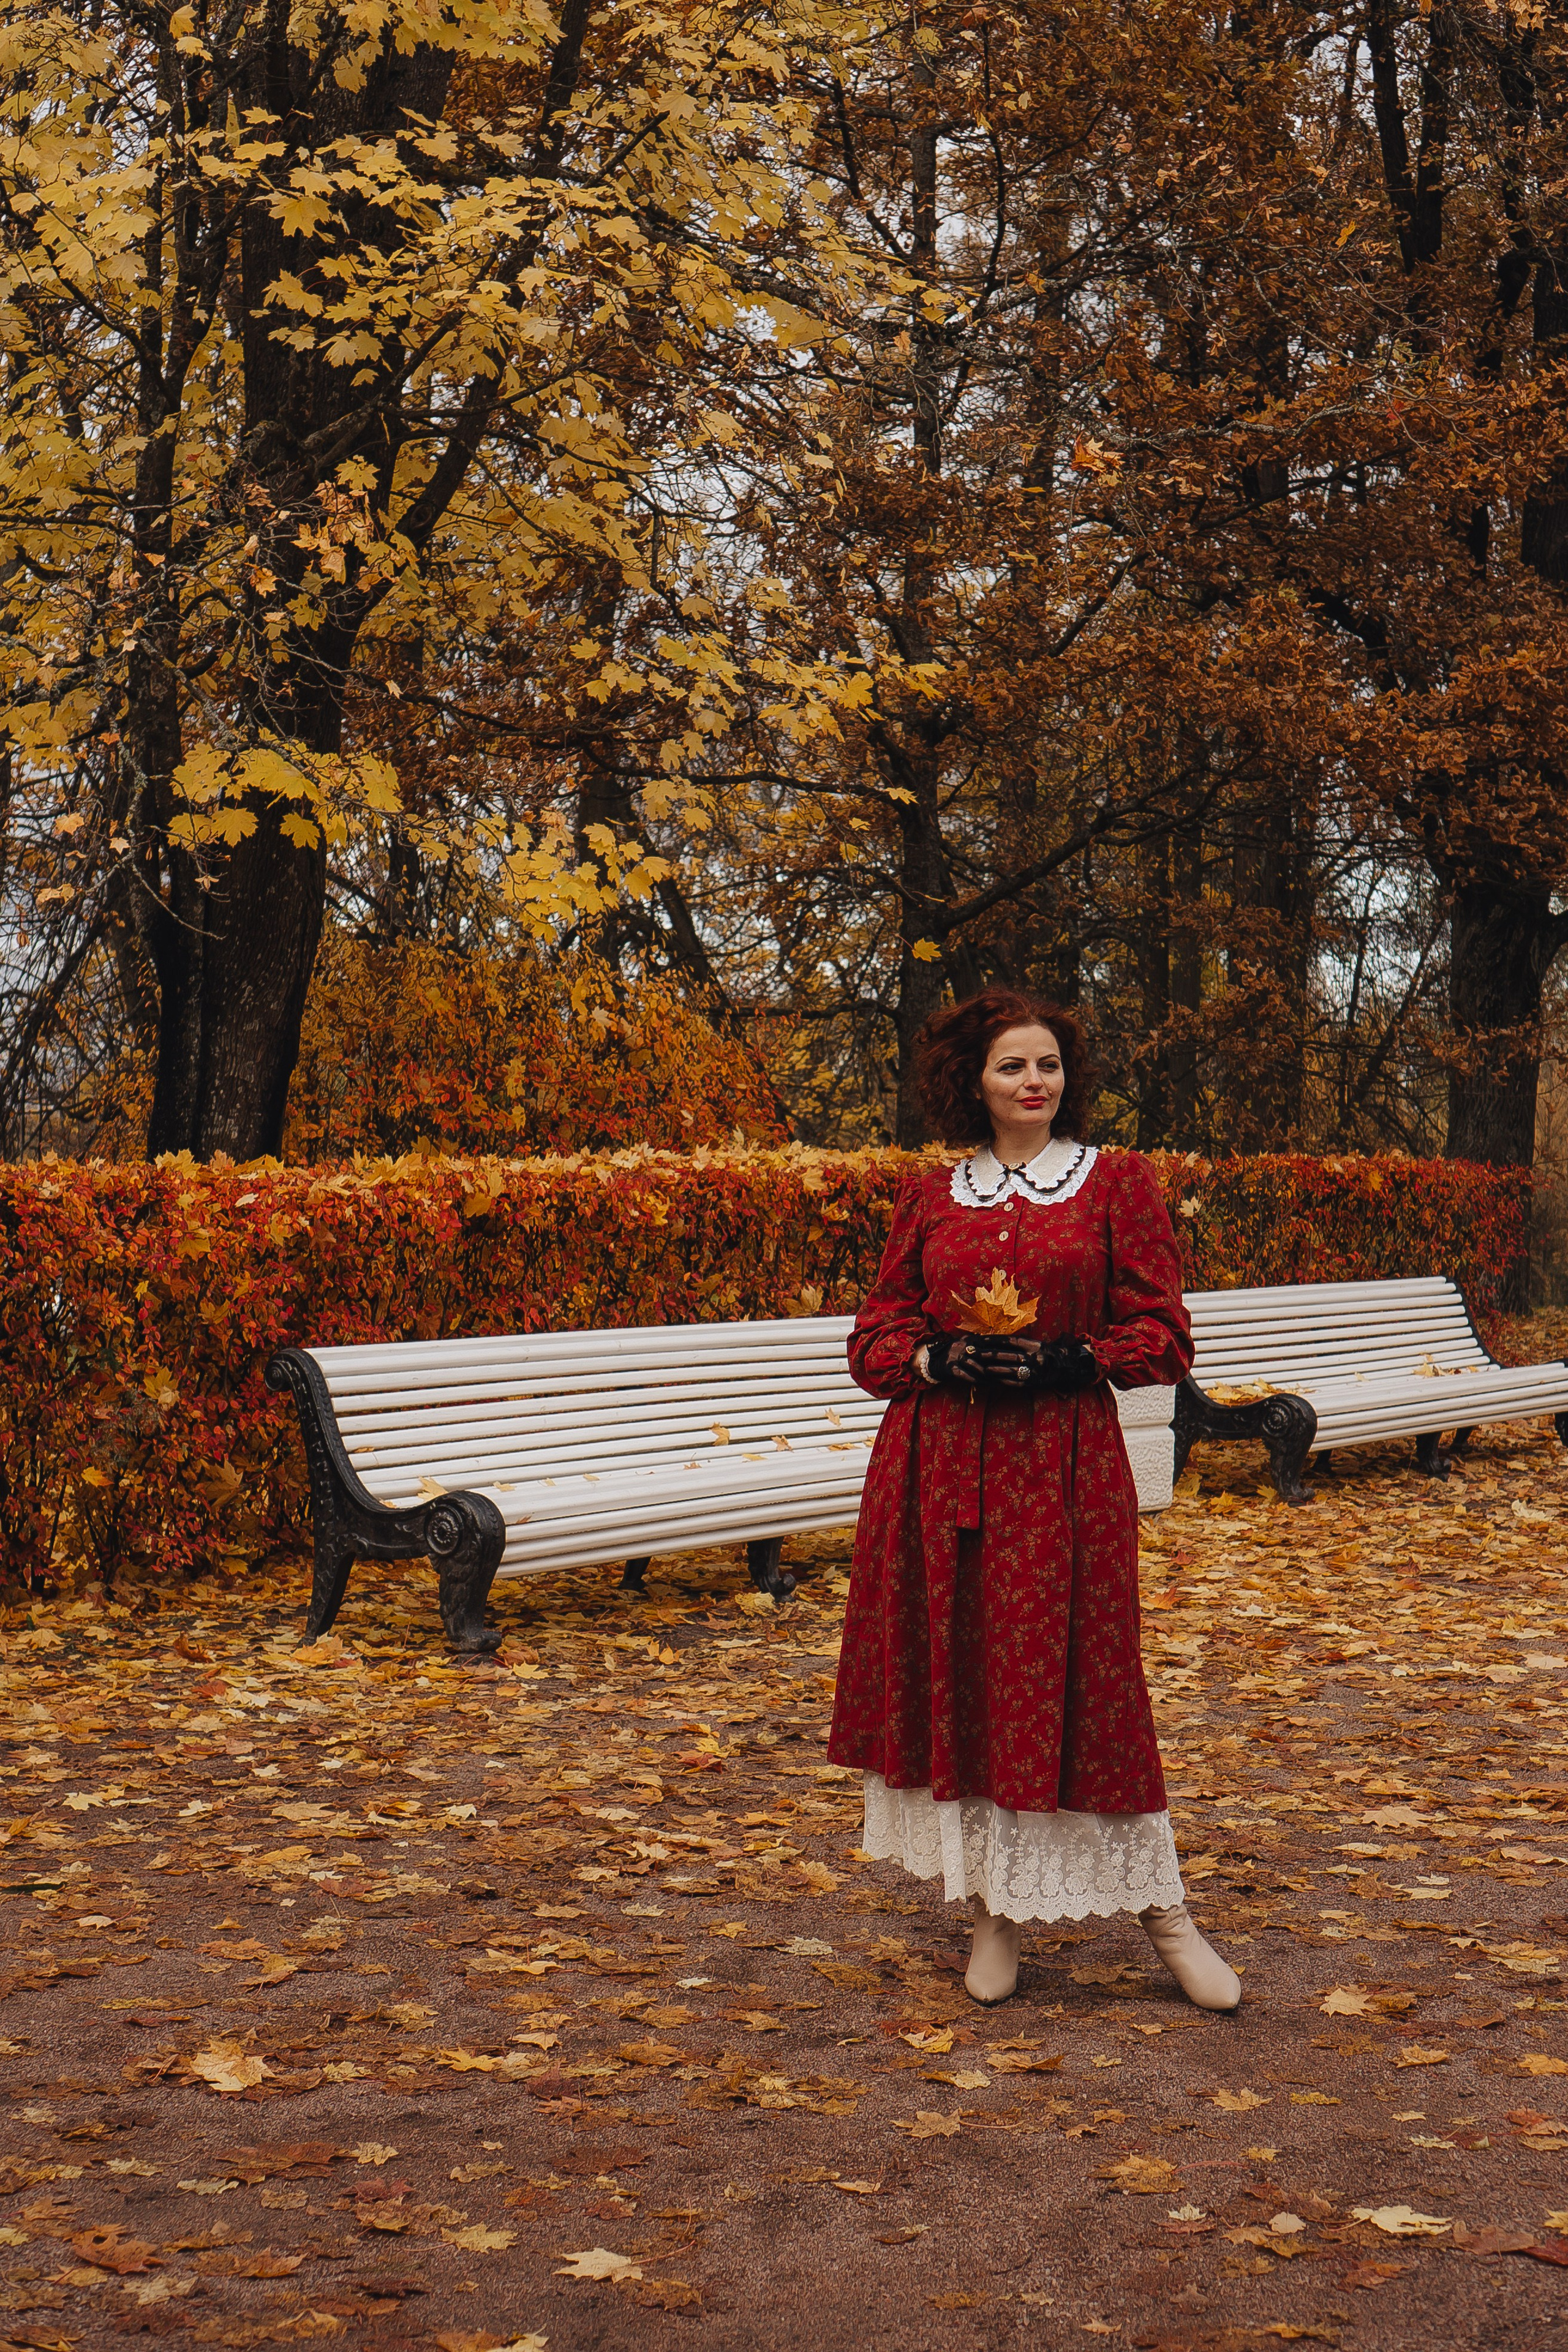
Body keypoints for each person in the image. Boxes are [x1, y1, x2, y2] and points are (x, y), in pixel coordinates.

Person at [827, 986, 1240, 2010]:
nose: (1033, 1081)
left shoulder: (1116, 1184)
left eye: (1047, 1064)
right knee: (970, 1680)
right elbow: (874, 1339)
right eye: (1012, 1065)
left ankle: (1166, 1914)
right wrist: (935, 1355)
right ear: (973, 1081)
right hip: (938, 1469)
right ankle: (994, 1916)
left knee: (1092, 1683)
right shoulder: (932, 1195)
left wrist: (1076, 1358)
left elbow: (1165, 1335)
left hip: (1062, 1470)